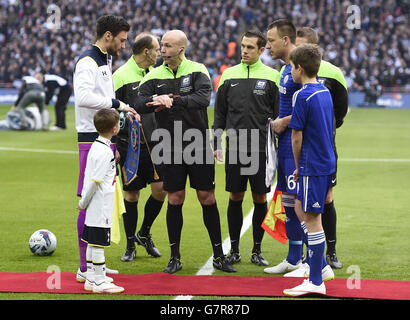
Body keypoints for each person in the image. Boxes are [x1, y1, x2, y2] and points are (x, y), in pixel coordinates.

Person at [138, 29, 235, 274]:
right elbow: (139, 103)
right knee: (175, 198)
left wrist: (171, 99)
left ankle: (218, 256)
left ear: (181, 48)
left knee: (207, 197)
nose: (163, 50)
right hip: (168, 145)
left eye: (168, 46)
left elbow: (202, 99)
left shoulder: (198, 70)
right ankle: (175, 257)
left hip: (198, 144)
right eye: (162, 45)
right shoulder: (154, 75)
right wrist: (155, 99)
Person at [73, 15, 138, 283]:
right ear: (108, 35)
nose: (124, 45)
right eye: (122, 40)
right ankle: (85, 268)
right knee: (89, 201)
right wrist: (118, 104)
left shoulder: (104, 60)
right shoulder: (88, 62)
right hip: (90, 138)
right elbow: (84, 97)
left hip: (101, 138)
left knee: (101, 202)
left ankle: (93, 262)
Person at [213, 30, 280, 268]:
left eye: (250, 47)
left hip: (262, 150)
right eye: (243, 46)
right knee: (235, 196)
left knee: (260, 197)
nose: (244, 51)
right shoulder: (229, 75)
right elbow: (220, 113)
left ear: (262, 50)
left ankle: (257, 250)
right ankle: (234, 250)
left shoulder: (273, 76)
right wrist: (216, 142)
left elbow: (278, 115)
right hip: (235, 148)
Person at [283, 43, 336, 296]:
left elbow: (296, 136)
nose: (290, 71)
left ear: (299, 68)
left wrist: (298, 166)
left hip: (312, 164)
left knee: (313, 220)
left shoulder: (301, 95)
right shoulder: (324, 91)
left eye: (291, 67)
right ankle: (322, 267)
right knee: (305, 211)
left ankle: (315, 281)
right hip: (325, 163)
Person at [295, 27, 348, 269]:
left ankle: (324, 260)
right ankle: (315, 259)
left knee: (319, 206)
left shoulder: (330, 77)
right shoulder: (314, 86)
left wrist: (320, 129)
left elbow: (340, 112)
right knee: (301, 206)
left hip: (316, 154)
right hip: (317, 154)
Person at [113, 33, 167, 262]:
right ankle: (130, 245)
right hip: (129, 145)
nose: (160, 53)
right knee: (132, 194)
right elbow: (109, 112)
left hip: (156, 143)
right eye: (157, 49)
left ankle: (144, 233)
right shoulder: (120, 76)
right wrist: (112, 145)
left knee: (161, 190)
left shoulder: (155, 74)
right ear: (146, 51)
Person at [263, 19, 304, 275]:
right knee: (288, 203)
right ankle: (293, 258)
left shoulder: (300, 68)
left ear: (285, 40)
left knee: (300, 205)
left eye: (271, 40)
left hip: (295, 143)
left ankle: (310, 263)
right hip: (284, 145)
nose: (268, 46)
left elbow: (308, 102)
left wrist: (283, 122)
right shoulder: (285, 69)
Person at [76, 108, 124, 294]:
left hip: (94, 205)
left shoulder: (97, 145)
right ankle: (99, 281)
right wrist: (83, 203)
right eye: (118, 123)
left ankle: (91, 278)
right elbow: (95, 183)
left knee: (90, 240)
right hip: (99, 204)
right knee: (98, 244)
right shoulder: (104, 152)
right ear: (114, 129)